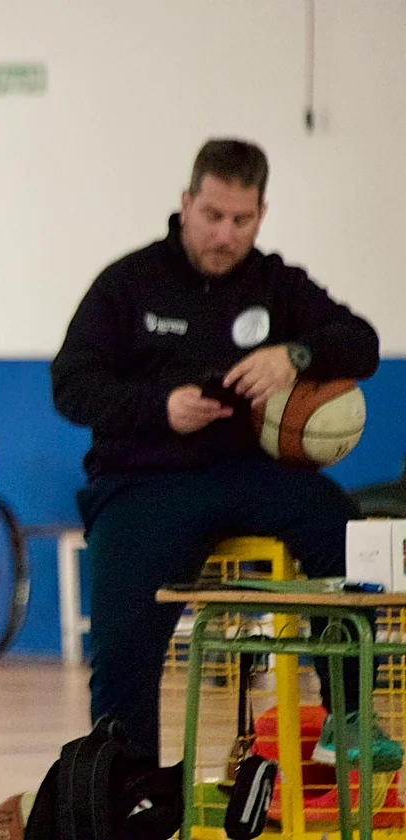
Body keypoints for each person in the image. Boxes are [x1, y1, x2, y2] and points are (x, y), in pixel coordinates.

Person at [51, 138, 398, 770]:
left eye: (241, 220)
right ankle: (125, 791)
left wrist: (296, 355)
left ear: (261, 214)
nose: (224, 234)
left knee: (342, 530)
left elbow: (362, 343)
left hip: (252, 473)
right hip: (143, 482)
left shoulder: (278, 284)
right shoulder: (128, 284)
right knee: (123, 651)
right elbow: (70, 386)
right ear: (186, 204)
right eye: (212, 216)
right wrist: (162, 408)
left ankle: (348, 717)